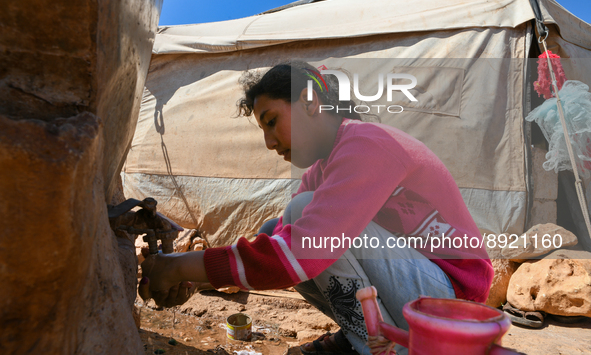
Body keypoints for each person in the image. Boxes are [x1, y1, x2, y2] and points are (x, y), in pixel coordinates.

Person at [139, 61, 494, 355]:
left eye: (272, 121)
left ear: (310, 102)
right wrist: (193, 280)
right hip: (419, 292)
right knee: (278, 228)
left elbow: (302, 251)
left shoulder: (368, 144)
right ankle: (364, 336)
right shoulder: (321, 170)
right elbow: (277, 246)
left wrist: (179, 264)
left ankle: (386, 349)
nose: (268, 142)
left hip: (455, 303)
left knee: (306, 231)